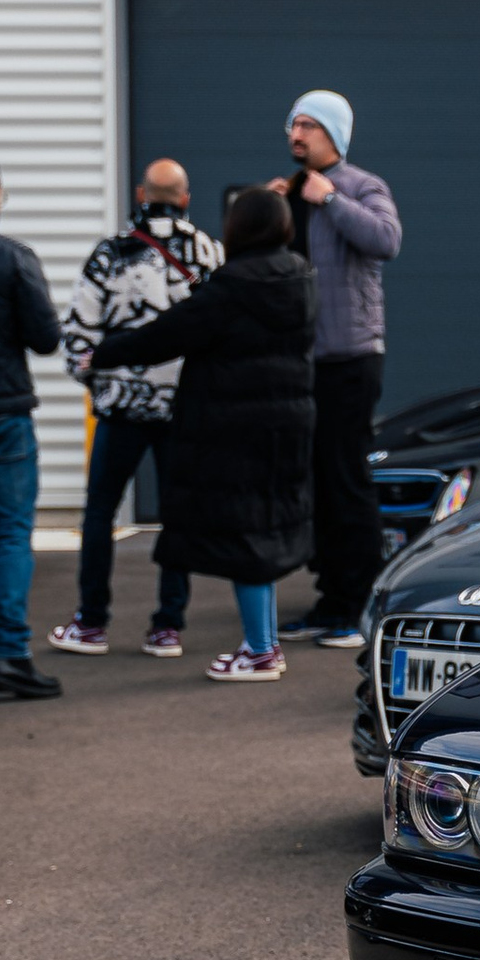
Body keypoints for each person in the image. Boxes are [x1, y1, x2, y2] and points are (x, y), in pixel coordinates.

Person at [124, 188, 318, 682]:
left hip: (235, 425)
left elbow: (168, 334)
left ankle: (258, 652)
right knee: (266, 531)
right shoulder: (300, 276)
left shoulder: (232, 286)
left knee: (245, 537)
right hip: (288, 420)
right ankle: (265, 645)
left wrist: (102, 354)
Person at [49, 158, 223, 659]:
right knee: (177, 514)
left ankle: (91, 623)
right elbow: (221, 329)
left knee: (101, 510)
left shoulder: (110, 253)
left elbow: (77, 336)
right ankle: (168, 627)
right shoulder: (209, 251)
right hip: (182, 410)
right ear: (185, 198)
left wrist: (96, 381)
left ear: (142, 193)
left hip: (121, 408)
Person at [264, 91, 400, 648]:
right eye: (292, 124)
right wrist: (271, 209)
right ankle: (329, 599)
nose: (295, 135)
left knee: (347, 480)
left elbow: (387, 241)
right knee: (314, 483)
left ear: (334, 135)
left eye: (307, 126)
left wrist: (332, 199)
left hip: (351, 360)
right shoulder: (288, 190)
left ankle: (359, 604)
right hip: (303, 362)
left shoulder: (362, 185)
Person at [0, 167, 64, 702]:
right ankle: (9, 656)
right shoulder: (14, 258)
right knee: (11, 535)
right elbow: (46, 338)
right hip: (5, 415)